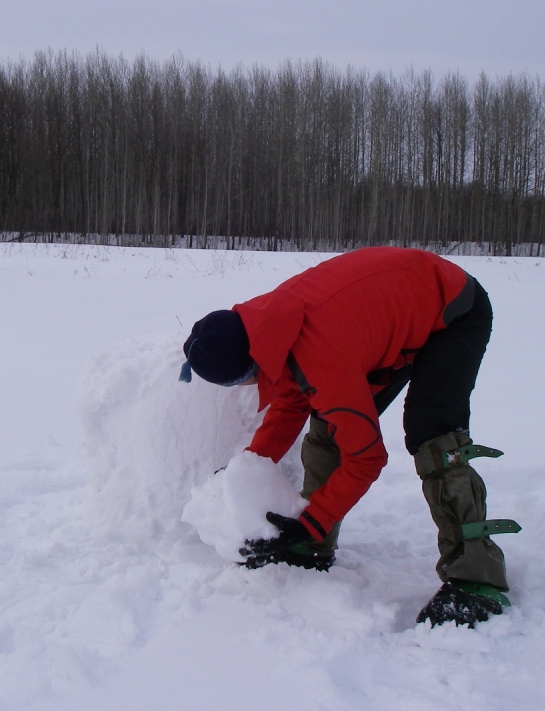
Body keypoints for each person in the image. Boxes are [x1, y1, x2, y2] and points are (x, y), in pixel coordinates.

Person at [179, 246, 519, 627]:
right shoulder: (269, 325)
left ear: (247, 367)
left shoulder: (321, 352)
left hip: (453, 308)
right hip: (394, 311)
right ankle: (312, 547)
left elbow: (367, 458)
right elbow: (291, 398)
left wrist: (311, 520)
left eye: (238, 381)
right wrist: (248, 467)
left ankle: (476, 577)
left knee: (431, 430)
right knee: (330, 424)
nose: (246, 386)